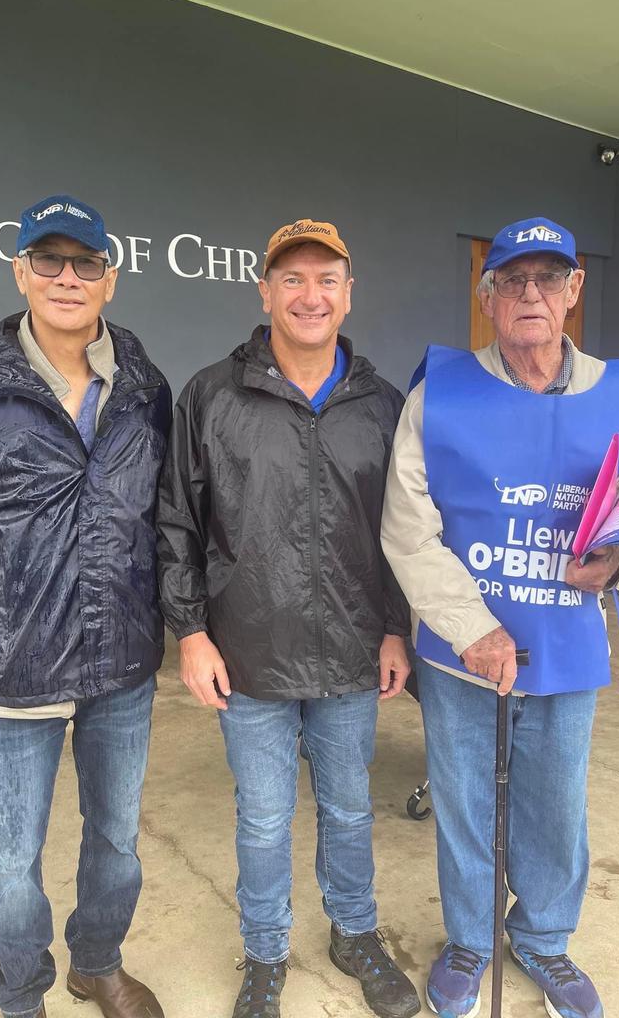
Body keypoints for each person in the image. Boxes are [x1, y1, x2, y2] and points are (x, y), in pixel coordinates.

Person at [381, 216, 619, 1018]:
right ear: (488, 297)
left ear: (574, 291)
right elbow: (406, 523)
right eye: (512, 280)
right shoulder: (441, 395)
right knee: (466, 801)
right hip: (459, 653)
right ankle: (469, 940)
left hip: (567, 646)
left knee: (555, 805)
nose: (529, 294)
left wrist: (617, 564)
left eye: (548, 279)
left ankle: (542, 938)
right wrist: (472, 626)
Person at [157, 219, 421, 1018]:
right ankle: (266, 951)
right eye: (294, 279)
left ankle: (356, 932)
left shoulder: (382, 403)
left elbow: (408, 524)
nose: (311, 295)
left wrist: (394, 626)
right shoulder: (211, 394)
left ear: (349, 294)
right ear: (264, 291)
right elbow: (178, 521)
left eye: (327, 279)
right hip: (248, 650)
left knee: (347, 806)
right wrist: (192, 632)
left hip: (350, 647)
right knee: (264, 816)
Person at [0, 195, 171, 1018]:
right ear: (20, 272)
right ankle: (20, 992)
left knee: (117, 845)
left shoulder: (144, 387)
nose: (69, 277)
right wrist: (15, 581)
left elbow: (155, 508)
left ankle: (96, 963)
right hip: (11, 663)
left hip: (122, 659)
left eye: (86, 262)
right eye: (49, 260)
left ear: (111, 279)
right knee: (8, 864)